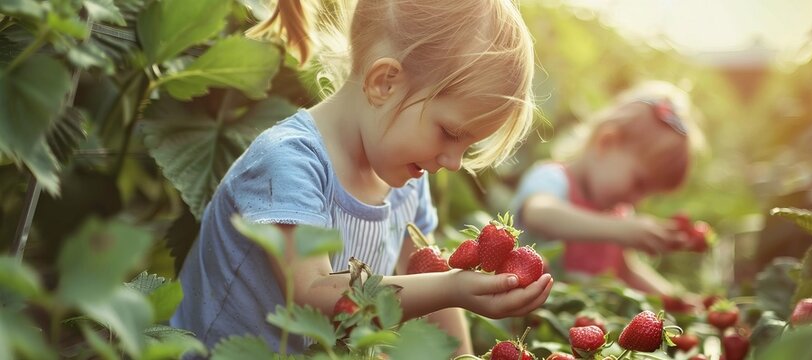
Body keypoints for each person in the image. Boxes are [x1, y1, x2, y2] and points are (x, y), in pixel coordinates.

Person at [170, 0, 553, 355]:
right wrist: (453, 287)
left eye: (467, 146)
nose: (453, 162)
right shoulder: (290, 162)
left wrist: (463, 353)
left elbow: (432, 285)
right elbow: (315, 294)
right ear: (384, 82)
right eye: (450, 134)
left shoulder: (407, 182)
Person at [510, 81, 702, 295]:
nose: (638, 200)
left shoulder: (617, 213)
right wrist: (621, 229)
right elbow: (539, 214)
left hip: (580, 323)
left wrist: (678, 299)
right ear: (606, 142)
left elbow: (627, 273)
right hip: (528, 320)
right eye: (639, 183)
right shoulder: (552, 178)